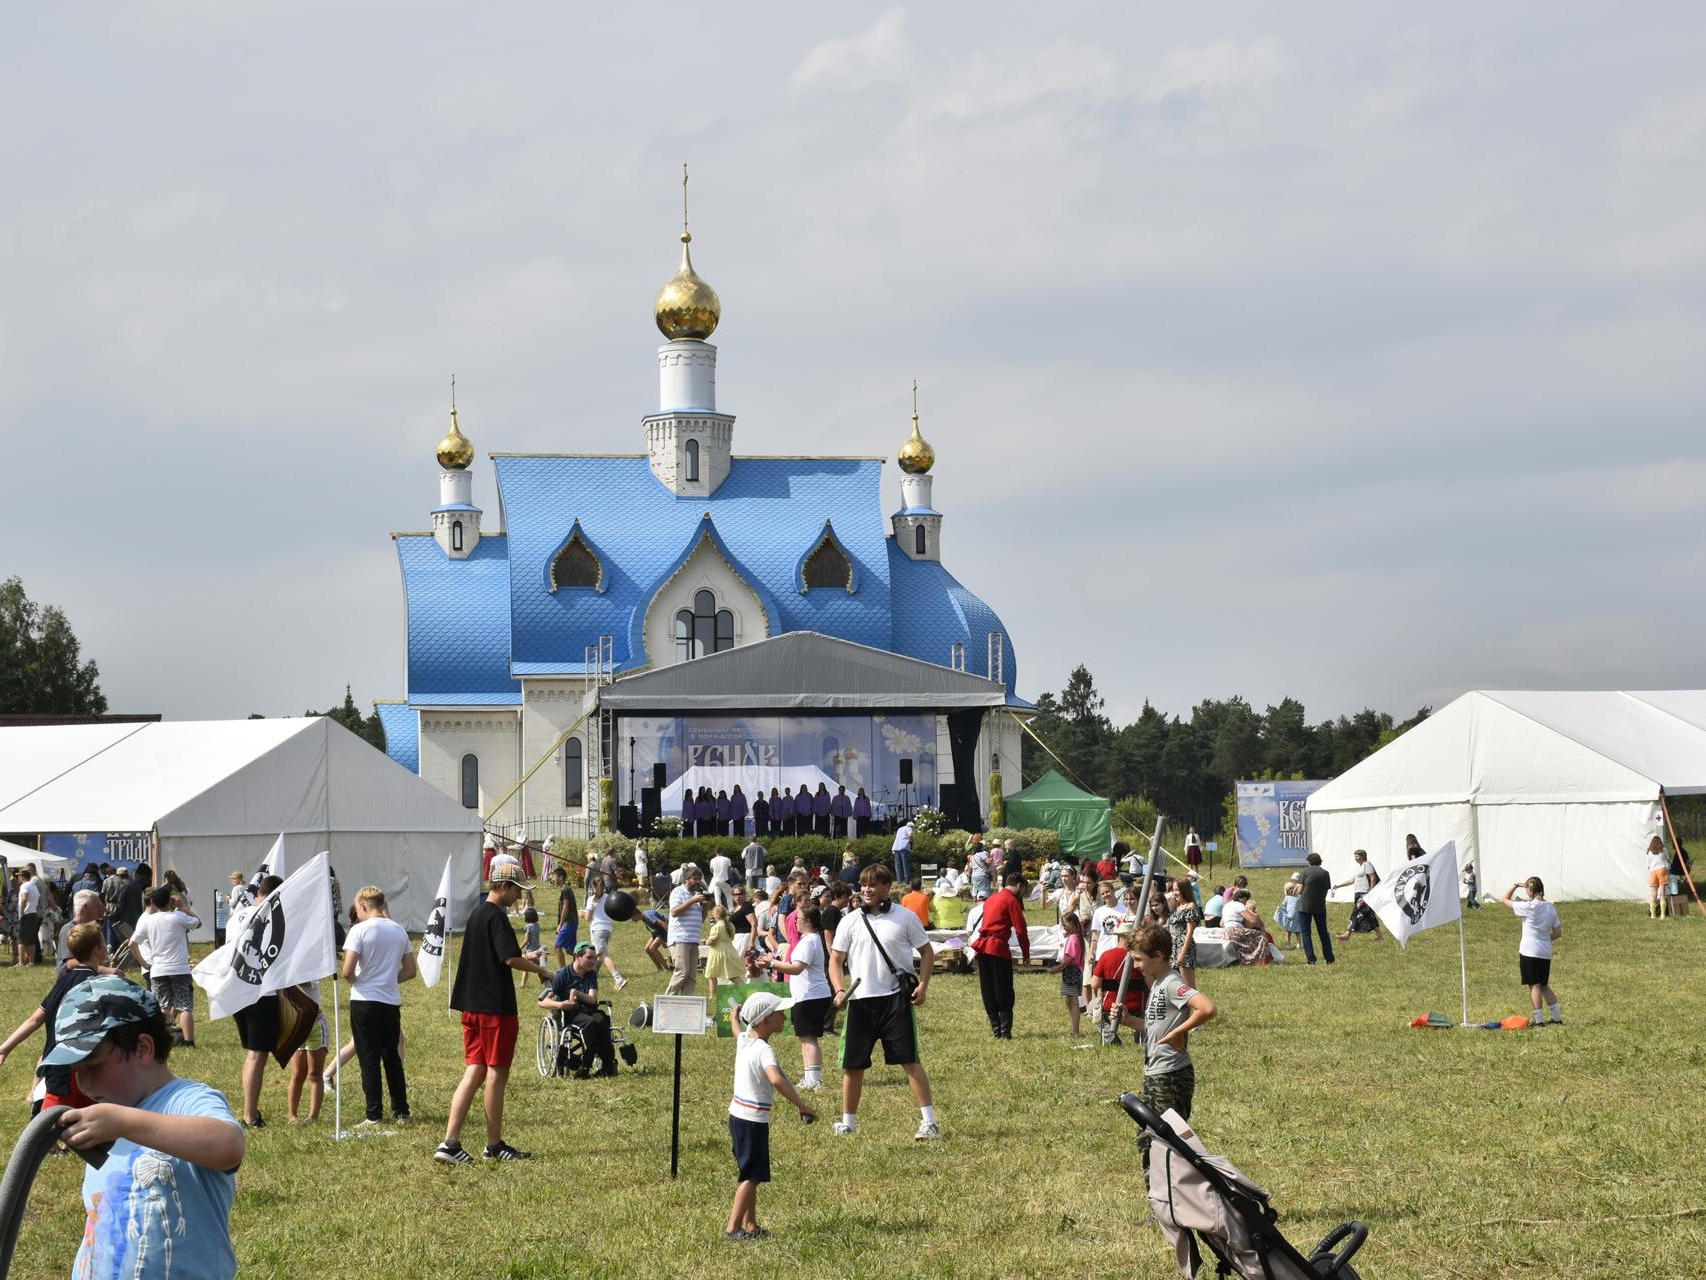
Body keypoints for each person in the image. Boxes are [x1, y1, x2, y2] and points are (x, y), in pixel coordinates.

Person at [45, 974, 245, 1278]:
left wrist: (124, 1122)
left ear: (143, 1049)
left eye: (93, 1066)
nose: (82, 1083)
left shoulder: (184, 1100)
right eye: (75, 1070)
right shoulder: (110, 1116)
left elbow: (228, 1146)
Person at [435, 856, 555, 1164]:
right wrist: (544, 972)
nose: (518, 896)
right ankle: (493, 1144)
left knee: (473, 1071)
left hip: (470, 1008)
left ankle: (449, 1143)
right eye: (515, 889)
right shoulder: (497, 917)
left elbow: (497, 953)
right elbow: (509, 960)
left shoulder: (476, 915)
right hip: (494, 1010)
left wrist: (524, 953)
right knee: (496, 1075)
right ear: (501, 885)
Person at [828, 865, 938, 1139]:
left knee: (909, 1060)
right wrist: (840, 989)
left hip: (895, 1001)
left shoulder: (905, 918)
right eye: (864, 884)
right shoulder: (849, 921)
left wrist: (923, 985)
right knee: (853, 1065)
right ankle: (848, 1123)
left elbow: (926, 952)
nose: (866, 889)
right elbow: (836, 959)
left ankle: (930, 1123)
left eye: (873, 884)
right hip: (861, 1003)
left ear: (887, 888)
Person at [725, 990, 816, 1241]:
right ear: (765, 1020)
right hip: (753, 1121)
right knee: (751, 1176)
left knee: (748, 1172)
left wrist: (735, 1017)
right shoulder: (764, 1050)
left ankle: (750, 1224)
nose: (785, 1018)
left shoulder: (745, 1039)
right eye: (779, 1014)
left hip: (737, 1117)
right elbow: (776, 1079)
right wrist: (801, 1104)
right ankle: (733, 1229)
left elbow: (737, 1030)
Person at [1134, 922, 1216, 1172]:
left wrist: (1179, 1032)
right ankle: (1161, 1202)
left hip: (1170, 1075)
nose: (1136, 965)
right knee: (1147, 1139)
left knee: (1163, 1145)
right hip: (1155, 1072)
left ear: (1158, 955)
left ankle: (1171, 1203)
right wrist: (1127, 1019)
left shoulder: (1171, 983)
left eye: (1139, 959)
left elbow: (1207, 1008)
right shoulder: (1157, 983)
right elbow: (1155, 1029)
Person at [0, 922, 106, 1110]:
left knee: (56, 1129)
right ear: (97, 950)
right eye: (104, 943)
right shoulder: (99, 985)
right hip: (82, 1071)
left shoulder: (63, 981)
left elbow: (34, 1020)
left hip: (58, 1069)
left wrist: (5, 1048)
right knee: (48, 1133)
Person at [344, 886, 415, 1128]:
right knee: (392, 1057)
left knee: (369, 1059)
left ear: (363, 906)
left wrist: (360, 981)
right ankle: (402, 1111)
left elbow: (347, 970)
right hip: (389, 1002)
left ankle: (374, 1114)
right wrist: (387, 979)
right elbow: (410, 971)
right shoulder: (399, 930)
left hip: (364, 1001)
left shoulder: (358, 931)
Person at [229, 873, 282, 1127]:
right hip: (261, 991)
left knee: (253, 1053)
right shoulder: (269, 916)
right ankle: (250, 1115)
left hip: (238, 989)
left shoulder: (237, 916)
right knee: (257, 1055)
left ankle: (250, 1110)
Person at [761, 903, 832, 1090]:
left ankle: (814, 1079)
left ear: (808, 922)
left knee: (809, 1038)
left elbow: (796, 968)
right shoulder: (809, 939)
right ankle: (809, 1076)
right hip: (807, 996)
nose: (795, 923)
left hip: (811, 996)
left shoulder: (809, 941)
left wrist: (772, 963)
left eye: (798, 920)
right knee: (805, 1038)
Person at [130, 886, 201, 1047]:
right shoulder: (178, 917)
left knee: (163, 1006)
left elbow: (132, 944)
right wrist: (183, 907)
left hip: (158, 970)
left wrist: (145, 964)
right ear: (170, 901)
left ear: (153, 902)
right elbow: (198, 923)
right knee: (185, 1007)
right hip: (180, 969)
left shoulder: (147, 920)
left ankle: (162, 1041)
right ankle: (189, 1042)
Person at [539, 942, 617, 1077]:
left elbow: (593, 1000)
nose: (593, 962)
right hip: (570, 1013)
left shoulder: (591, 974)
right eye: (589, 958)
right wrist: (560, 1005)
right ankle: (585, 1066)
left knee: (602, 1020)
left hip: (589, 1011)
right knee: (591, 1023)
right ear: (578, 957)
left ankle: (608, 1065)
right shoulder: (562, 975)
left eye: (594, 958)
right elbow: (542, 1001)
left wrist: (576, 993)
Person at [972, 871, 1030, 1039]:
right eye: (1023, 890)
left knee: (988, 988)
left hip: (982, 949)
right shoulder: (1011, 900)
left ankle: (996, 1030)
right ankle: (1005, 1032)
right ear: (1019, 885)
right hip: (997, 949)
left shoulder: (991, 898)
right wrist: (1026, 953)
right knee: (1004, 989)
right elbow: (1020, 930)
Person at [1501, 876, 1563, 1027]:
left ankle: (1539, 1020)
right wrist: (1545, 940)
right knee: (1544, 986)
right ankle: (1556, 1018)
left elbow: (1504, 899)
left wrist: (1515, 885)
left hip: (1529, 952)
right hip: (1545, 952)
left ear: (1530, 889)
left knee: (1533, 985)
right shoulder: (1551, 908)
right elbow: (1557, 932)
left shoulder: (1529, 907)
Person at [666, 864, 713, 996]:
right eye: (695, 878)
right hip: (680, 938)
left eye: (699, 879)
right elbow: (674, 912)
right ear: (686, 879)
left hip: (693, 938)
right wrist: (692, 901)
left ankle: (687, 1004)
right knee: (682, 971)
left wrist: (705, 906)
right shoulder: (678, 892)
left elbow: (700, 919)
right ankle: (667, 1000)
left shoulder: (697, 895)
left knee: (691, 975)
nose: (698, 881)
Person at [286, 981, 329, 1124]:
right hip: (297, 1024)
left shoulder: (312, 966)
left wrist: (286, 977)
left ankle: (313, 1116)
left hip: (315, 1025)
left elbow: (307, 982)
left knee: (314, 1074)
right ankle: (292, 1116)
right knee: (297, 1074)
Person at [582, 874, 628, 990]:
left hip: (597, 930)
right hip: (607, 929)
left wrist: (582, 913)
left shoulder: (591, 900)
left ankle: (618, 978)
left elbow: (588, 918)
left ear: (593, 887)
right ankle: (591, 977)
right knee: (597, 955)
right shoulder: (608, 897)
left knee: (603, 955)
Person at [1051, 911, 1087, 1037]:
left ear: (1072, 923)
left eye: (1065, 925)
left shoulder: (1072, 938)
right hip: (1076, 971)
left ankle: (1076, 1031)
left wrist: (1058, 968)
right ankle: (1075, 1030)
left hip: (1071, 972)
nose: (1064, 927)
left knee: (1073, 1003)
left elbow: (1070, 958)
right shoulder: (1078, 937)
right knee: (1070, 1001)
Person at [1295, 853, 1335, 965]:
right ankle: (1329, 959)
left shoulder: (1305, 872)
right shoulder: (1325, 873)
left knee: (1306, 933)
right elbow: (1326, 889)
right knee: (1323, 933)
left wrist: (1296, 891)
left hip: (1304, 907)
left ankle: (1311, 960)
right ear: (1320, 861)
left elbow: (1299, 890)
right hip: (1320, 906)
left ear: (1309, 862)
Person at [1334, 849, 1382, 941]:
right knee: (1369, 915)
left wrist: (1371, 892)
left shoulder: (1367, 864)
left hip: (1365, 894)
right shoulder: (1359, 868)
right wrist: (1338, 886)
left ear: (1362, 856)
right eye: (1354, 856)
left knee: (1356, 914)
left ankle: (1347, 935)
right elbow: (1351, 881)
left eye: (1357, 856)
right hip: (1358, 894)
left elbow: (1373, 878)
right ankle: (1380, 936)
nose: (1355, 858)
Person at [703, 903, 743, 1013]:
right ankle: (743, 988)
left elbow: (711, 941)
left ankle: (712, 995)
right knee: (732, 974)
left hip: (717, 952)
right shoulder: (730, 926)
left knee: (712, 974)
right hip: (729, 950)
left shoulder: (716, 927)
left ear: (715, 915)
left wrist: (707, 941)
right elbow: (732, 937)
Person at [1166, 878, 1202, 989]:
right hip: (1173, 946)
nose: (1174, 892)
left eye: (1177, 890)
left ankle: (1197, 1006)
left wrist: (1183, 952)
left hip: (1183, 946)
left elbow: (1190, 931)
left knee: (1188, 986)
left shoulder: (1190, 906)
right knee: (1178, 984)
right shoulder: (1177, 907)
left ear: (1184, 890)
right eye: (1173, 889)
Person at [17, 864, 43, 966]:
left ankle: (21, 962)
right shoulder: (33, 886)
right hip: (34, 914)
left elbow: (24, 898)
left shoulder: (24, 886)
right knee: (31, 940)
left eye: (19, 876)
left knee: (21, 940)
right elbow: (40, 899)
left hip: (26, 915)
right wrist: (38, 907)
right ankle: (32, 962)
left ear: (22, 877)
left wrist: (22, 912)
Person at [553, 865, 578, 966]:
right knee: (570, 950)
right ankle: (584, 964)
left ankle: (563, 971)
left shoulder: (566, 890)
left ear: (561, 877)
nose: (553, 879)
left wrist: (560, 925)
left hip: (569, 922)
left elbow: (565, 908)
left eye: (555, 876)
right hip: (572, 922)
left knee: (557, 946)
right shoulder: (565, 889)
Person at [1273, 874, 1303, 947]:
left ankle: (1299, 944)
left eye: (1292, 888)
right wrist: (1280, 908)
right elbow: (1284, 905)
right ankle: (1287, 944)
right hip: (1289, 916)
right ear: (1286, 891)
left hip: (1297, 916)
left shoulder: (1299, 897)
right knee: (1288, 931)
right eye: (1288, 889)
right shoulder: (1287, 897)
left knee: (1298, 931)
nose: (1290, 890)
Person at [1646, 836, 1671, 919]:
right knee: (1662, 893)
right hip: (1662, 870)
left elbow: (1648, 865)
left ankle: (1653, 915)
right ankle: (1663, 915)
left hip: (1653, 871)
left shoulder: (1649, 851)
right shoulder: (1663, 850)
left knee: (1653, 894)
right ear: (1660, 842)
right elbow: (1667, 859)